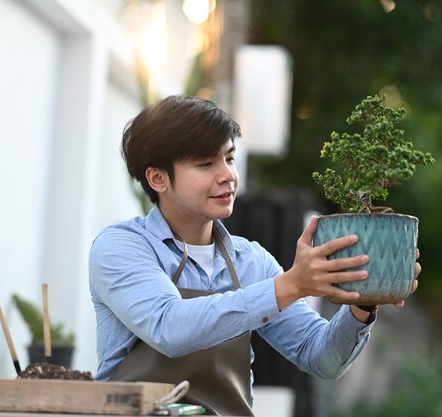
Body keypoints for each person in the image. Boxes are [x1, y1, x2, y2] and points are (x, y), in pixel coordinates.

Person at [89, 95, 420, 416]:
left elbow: (320, 357)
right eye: (206, 163)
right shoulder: (122, 247)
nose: (228, 176)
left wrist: (363, 303)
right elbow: (170, 328)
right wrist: (291, 285)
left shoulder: (251, 261)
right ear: (157, 177)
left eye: (229, 158)